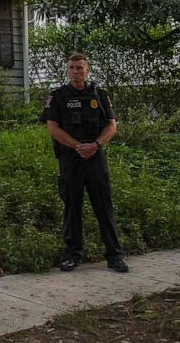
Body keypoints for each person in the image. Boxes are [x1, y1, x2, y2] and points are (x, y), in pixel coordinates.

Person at [42, 53, 129, 273]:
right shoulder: (58, 96)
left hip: (95, 157)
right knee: (72, 206)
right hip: (71, 158)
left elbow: (112, 126)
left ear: (87, 70)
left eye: (80, 68)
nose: (76, 72)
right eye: (72, 68)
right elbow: (53, 128)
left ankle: (115, 256)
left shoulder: (99, 95)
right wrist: (77, 146)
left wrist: (95, 145)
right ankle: (72, 255)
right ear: (67, 70)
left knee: (104, 205)